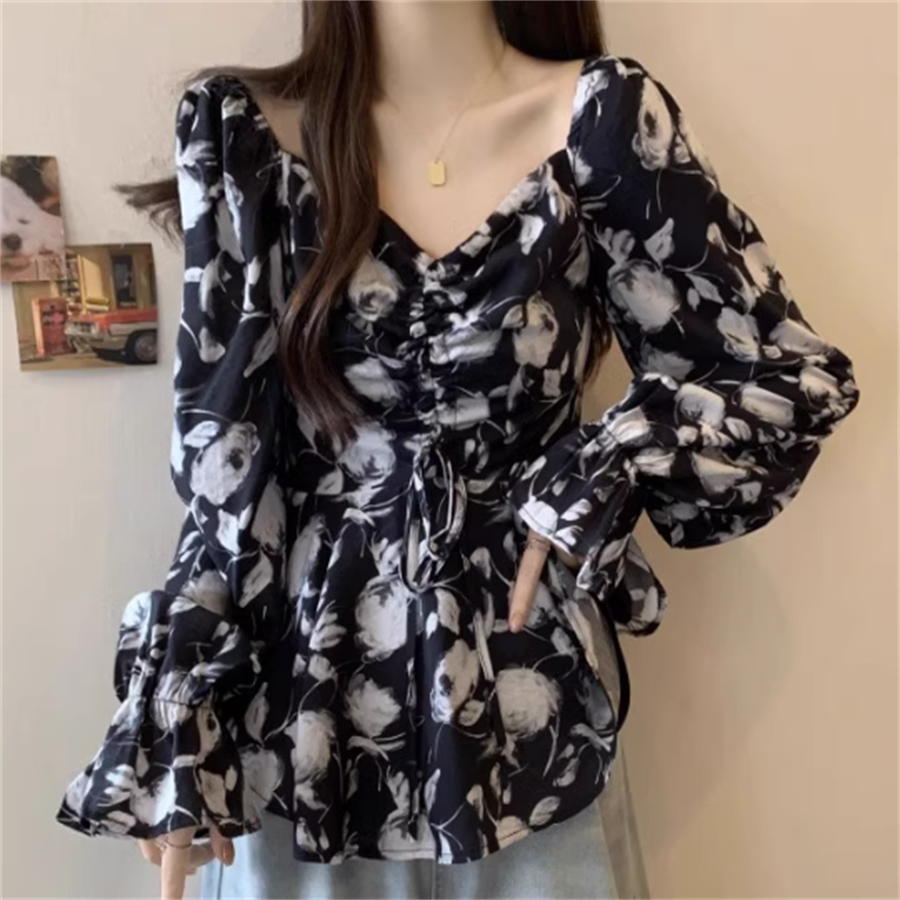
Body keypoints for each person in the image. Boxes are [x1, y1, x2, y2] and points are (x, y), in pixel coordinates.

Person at [55, 1, 861, 899]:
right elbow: (226, 463)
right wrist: (180, 710)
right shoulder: (244, 136)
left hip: (532, 710)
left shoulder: (601, 122)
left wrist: (600, 468)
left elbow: (780, 374)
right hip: (301, 723)